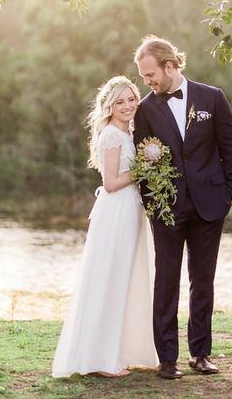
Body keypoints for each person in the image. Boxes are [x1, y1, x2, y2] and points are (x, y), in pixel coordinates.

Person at [133, 36, 232, 380]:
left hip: (210, 206)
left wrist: (227, 195)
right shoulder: (146, 109)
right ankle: (167, 358)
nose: (146, 81)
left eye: (150, 74)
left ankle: (201, 353)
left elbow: (230, 149)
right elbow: (143, 161)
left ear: (169, 65)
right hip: (167, 209)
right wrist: (154, 203)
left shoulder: (212, 97)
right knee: (166, 281)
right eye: (142, 75)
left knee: (203, 280)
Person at [52, 76, 158, 378]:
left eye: (131, 99)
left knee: (124, 279)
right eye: (120, 101)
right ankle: (100, 359)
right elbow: (110, 183)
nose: (127, 106)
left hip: (130, 210)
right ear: (109, 106)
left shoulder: (129, 134)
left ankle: (119, 351)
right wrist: (142, 171)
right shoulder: (111, 135)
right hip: (116, 212)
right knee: (110, 279)